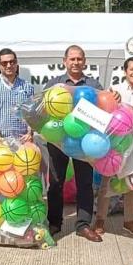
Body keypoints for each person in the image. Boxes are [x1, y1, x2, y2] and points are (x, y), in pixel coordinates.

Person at [45, 45, 108, 242]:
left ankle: (83, 225)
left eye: (79, 59)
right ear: (64, 61)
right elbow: (43, 111)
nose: (75, 62)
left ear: (84, 61)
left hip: (85, 141)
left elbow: (104, 110)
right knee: (55, 182)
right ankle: (54, 223)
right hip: (58, 140)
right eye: (72, 59)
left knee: (85, 183)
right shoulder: (54, 84)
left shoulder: (93, 85)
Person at [94, 57, 133, 237]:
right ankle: (100, 219)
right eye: (132, 69)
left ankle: (129, 221)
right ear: (125, 71)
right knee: (106, 185)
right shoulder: (114, 91)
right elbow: (107, 113)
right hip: (114, 147)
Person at [0, 48, 34, 143]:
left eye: (12, 62)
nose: (9, 65)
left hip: (23, 141)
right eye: (4, 63)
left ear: (16, 63)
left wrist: (30, 133)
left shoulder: (27, 86)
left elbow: (31, 113)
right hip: (0, 141)